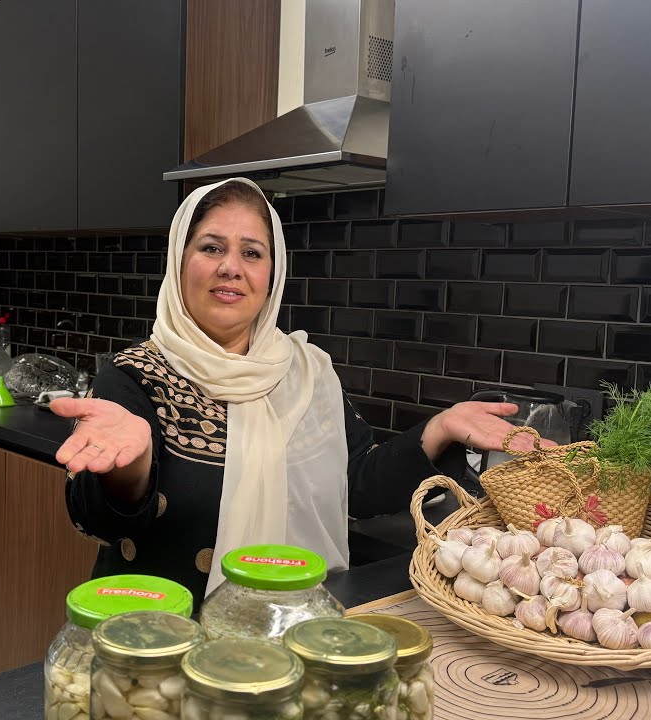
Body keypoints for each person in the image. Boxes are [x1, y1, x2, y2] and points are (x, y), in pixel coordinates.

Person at [51, 178, 532, 605]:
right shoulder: (133, 374)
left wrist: (438, 428)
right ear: (179, 262)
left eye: (252, 253)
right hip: (159, 645)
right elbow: (101, 522)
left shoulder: (307, 372)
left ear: (272, 275)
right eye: (211, 248)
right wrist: (130, 473)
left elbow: (357, 485)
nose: (231, 268)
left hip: (281, 638)